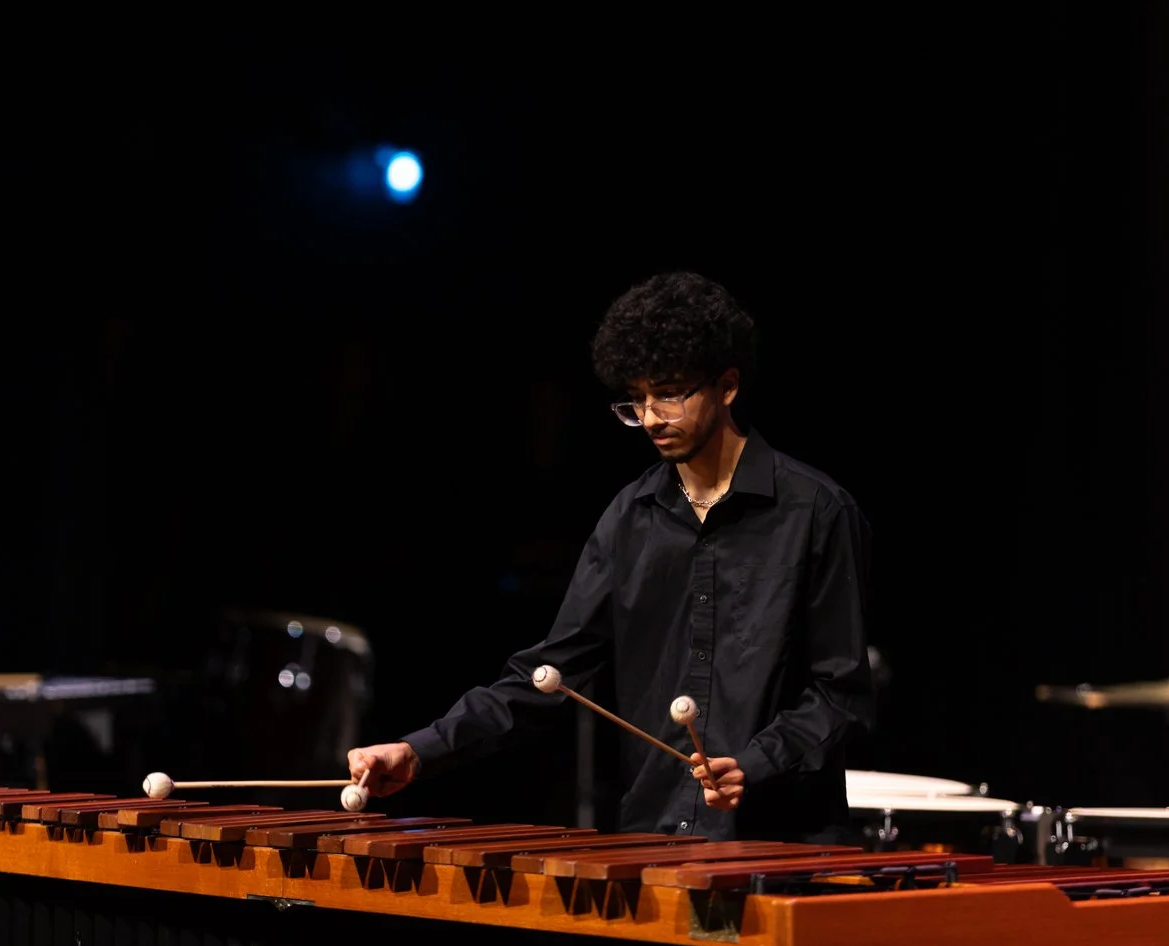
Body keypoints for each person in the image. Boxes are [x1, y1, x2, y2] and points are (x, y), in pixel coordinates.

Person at [348, 270, 875, 842]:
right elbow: (549, 677)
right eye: (636, 401)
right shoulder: (629, 519)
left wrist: (757, 762)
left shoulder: (816, 511)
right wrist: (419, 751)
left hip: (784, 840)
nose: (649, 418)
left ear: (726, 386)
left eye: (668, 394)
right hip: (656, 838)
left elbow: (840, 696)